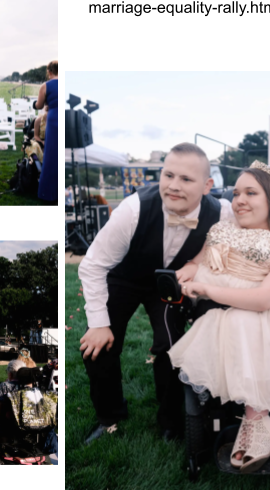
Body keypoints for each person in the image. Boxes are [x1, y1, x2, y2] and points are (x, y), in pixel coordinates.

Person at [168, 161, 270, 473]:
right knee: (231, 321)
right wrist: (186, 273)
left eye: (251, 193)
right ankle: (253, 418)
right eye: (236, 193)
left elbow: (265, 298)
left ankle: (258, 421)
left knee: (244, 322)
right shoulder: (225, 231)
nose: (240, 200)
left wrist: (205, 286)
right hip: (232, 305)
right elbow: (198, 261)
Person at [77, 143, 233, 443]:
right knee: (98, 346)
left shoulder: (222, 212)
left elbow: (229, 243)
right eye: (168, 175)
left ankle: (170, 422)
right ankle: (109, 417)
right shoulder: (133, 209)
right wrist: (98, 322)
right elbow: (92, 265)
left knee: (171, 345)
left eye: (186, 179)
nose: (173, 186)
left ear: (207, 185)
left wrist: (196, 262)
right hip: (124, 278)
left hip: (169, 283)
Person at [34, 60, 58, 202]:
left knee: (50, 155)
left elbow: (39, 105)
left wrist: (34, 104)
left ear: (49, 72)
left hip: (54, 119)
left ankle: (47, 194)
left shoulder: (45, 85)